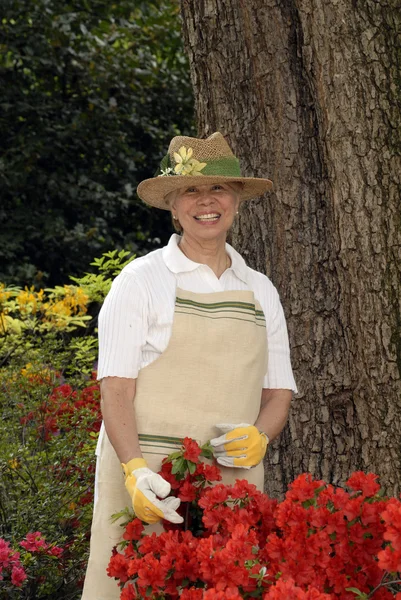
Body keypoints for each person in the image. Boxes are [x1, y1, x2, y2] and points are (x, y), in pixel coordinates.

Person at [81, 132, 297, 600]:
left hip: (230, 487)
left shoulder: (261, 290)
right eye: (190, 191)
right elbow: (115, 388)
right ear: (174, 208)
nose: (206, 202)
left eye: (217, 189)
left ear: (236, 200)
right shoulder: (140, 281)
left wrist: (260, 433)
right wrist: (135, 470)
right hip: (150, 483)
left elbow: (278, 392)